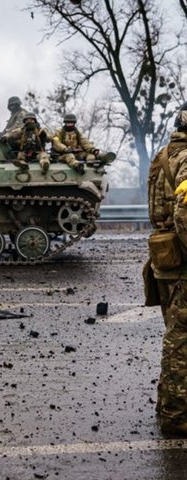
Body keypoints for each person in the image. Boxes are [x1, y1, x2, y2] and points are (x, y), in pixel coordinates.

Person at [145, 101, 187, 436]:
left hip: (166, 258)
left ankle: (168, 407)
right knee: (182, 341)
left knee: (177, 336)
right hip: (182, 260)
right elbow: (185, 212)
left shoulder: (164, 154)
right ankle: (178, 417)